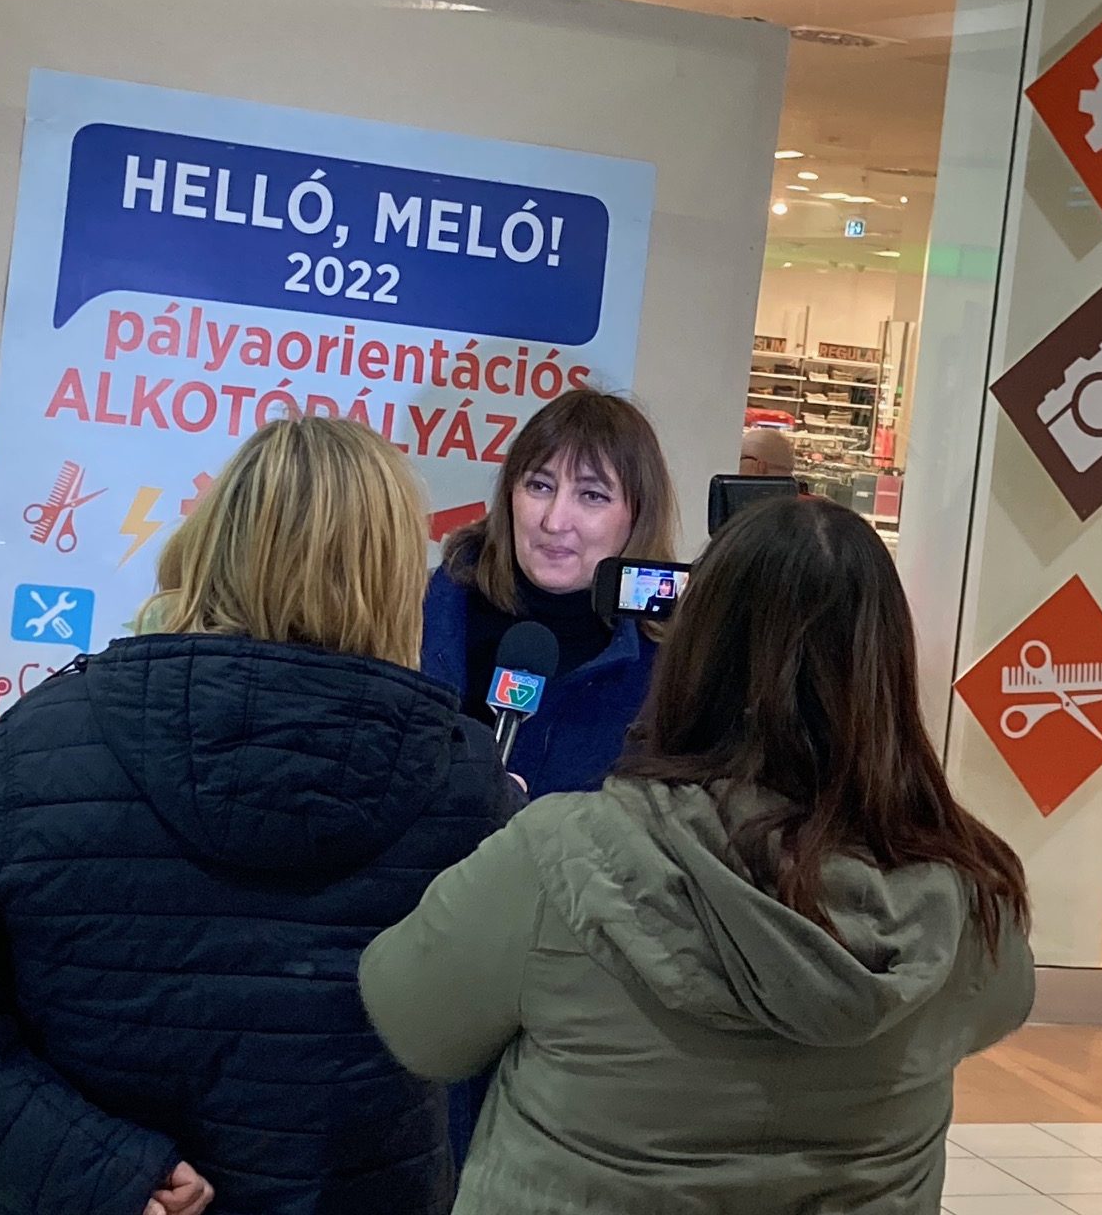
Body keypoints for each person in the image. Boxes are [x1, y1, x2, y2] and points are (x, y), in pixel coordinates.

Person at [0, 417, 521, 1215]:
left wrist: (97, 1171)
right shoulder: (463, 779)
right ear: (395, 576)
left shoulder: (49, 735)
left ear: (210, 542)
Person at [361, 498, 1035, 1214]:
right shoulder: (966, 895)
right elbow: (1002, 1007)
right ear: (888, 670)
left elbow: (413, 1017)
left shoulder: (562, 853)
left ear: (694, 650)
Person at [423, 388, 678, 797]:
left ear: (639, 515)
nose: (555, 522)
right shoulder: (421, 609)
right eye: (540, 486)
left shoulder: (674, 662)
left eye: (592, 496)